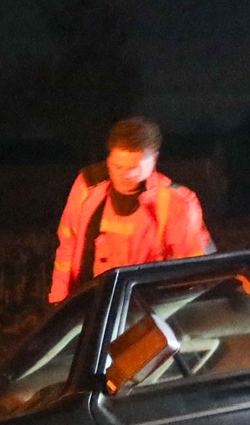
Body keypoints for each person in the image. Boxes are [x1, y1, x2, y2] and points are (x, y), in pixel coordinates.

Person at [48, 116, 215, 303]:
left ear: (154, 160)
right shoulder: (87, 185)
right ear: (109, 157)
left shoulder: (177, 202)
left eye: (134, 168)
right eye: (117, 167)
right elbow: (67, 248)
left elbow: (199, 269)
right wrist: (58, 301)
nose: (125, 175)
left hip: (144, 309)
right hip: (89, 303)